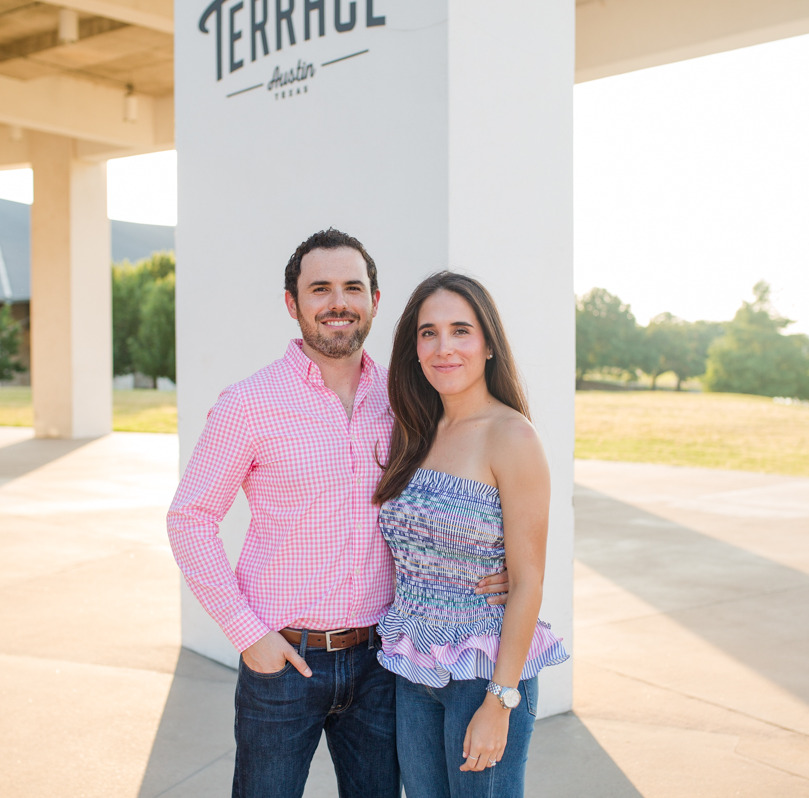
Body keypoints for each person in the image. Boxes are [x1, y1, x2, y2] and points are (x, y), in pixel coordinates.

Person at [166, 230, 510, 798]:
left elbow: (451, 492)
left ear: (375, 300)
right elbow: (190, 518)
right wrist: (246, 633)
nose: (337, 302)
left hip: (384, 661)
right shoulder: (248, 404)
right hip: (284, 660)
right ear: (291, 303)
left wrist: (497, 573)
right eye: (319, 288)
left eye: (352, 287)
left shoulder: (406, 400)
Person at [372, 271, 569, 798]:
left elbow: (527, 582)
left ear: (487, 345)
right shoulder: (414, 430)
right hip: (413, 668)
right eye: (428, 332)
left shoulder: (513, 437)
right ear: (413, 349)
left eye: (461, 330)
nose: (444, 347)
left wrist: (499, 700)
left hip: (483, 674)